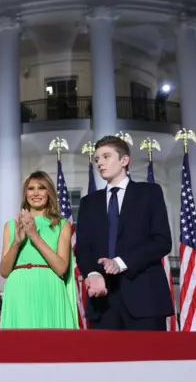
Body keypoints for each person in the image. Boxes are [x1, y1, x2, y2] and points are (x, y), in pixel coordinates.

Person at [75, 135, 173, 330]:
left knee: (148, 360)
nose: (99, 163)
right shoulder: (88, 203)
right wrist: (93, 273)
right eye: (96, 159)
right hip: (103, 302)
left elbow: (161, 241)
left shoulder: (150, 193)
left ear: (124, 160)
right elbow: (83, 248)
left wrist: (120, 263)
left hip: (145, 298)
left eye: (105, 156)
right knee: (105, 360)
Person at [0, 171, 78, 329]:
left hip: (50, 289)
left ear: (49, 192)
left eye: (41, 188)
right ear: (25, 193)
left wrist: (34, 236)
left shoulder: (62, 225)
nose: (35, 193)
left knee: (51, 348)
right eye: (31, 188)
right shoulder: (11, 226)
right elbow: (4, 271)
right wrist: (16, 242)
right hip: (19, 291)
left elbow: (62, 268)